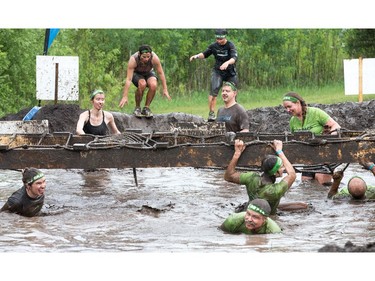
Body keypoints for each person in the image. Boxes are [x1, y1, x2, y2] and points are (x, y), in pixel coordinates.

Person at [224, 139, 307, 215]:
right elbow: (292, 174)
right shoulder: (275, 190)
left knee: (302, 205)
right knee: (304, 207)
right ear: (275, 172)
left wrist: (237, 154)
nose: (284, 168)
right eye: (281, 167)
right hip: (265, 215)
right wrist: (279, 151)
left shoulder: (252, 178)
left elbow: (228, 176)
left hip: (250, 208)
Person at [282, 92, 342, 185]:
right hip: (308, 159)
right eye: (285, 108)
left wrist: (326, 140)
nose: (288, 110)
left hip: (324, 156)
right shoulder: (293, 121)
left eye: (289, 106)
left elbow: (336, 126)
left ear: (298, 102)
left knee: (321, 182)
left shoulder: (316, 113)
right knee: (306, 184)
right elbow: (294, 142)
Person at [190, 29, 238, 122]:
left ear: (225, 37)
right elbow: (204, 54)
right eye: (217, 39)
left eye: (220, 39)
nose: (219, 41)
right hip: (218, 71)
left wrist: (227, 63)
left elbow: (234, 58)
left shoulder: (230, 45)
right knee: (214, 91)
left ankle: (234, 113)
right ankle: (211, 114)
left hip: (230, 72)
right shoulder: (214, 46)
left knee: (232, 92)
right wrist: (196, 56)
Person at [119, 44, 171, 118]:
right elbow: (128, 79)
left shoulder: (154, 58)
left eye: (148, 57)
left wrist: (165, 89)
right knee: (142, 84)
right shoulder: (133, 59)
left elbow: (161, 73)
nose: (146, 59)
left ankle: (146, 108)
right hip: (137, 74)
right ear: (139, 54)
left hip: (148, 72)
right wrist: (125, 96)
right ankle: (137, 108)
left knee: (153, 85)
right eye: (144, 57)